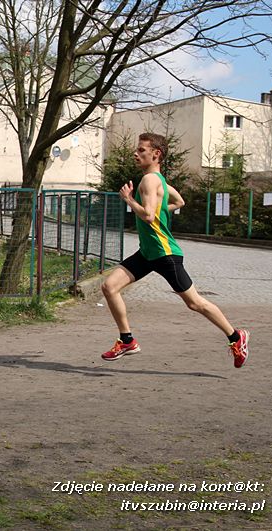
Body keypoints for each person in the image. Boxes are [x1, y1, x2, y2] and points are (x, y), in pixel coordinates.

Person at [100, 132, 249, 367]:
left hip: (164, 253)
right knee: (109, 286)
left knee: (195, 303)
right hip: (148, 253)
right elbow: (179, 202)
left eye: (141, 150)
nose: (135, 153)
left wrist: (129, 200)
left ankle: (235, 336)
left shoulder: (149, 180)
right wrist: (159, 210)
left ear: (156, 154)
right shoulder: (159, 180)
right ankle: (127, 340)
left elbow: (148, 216)